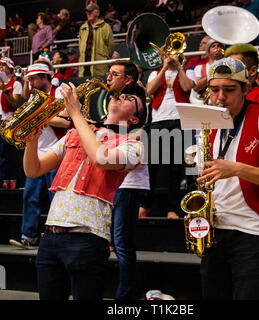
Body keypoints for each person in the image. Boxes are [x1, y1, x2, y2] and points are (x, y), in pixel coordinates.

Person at [22, 79, 146, 300]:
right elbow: (34, 170)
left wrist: (75, 114)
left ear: (134, 119)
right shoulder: (75, 133)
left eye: (131, 99)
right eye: (122, 94)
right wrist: (32, 140)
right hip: (50, 236)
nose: (123, 96)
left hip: (89, 239)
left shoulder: (133, 145)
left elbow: (101, 157)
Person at [197, 57, 259, 300]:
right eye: (214, 89)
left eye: (229, 90)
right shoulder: (207, 122)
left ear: (246, 88)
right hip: (214, 231)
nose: (220, 97)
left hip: (251, 232)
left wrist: (237, 168)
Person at [9, 63, 71, 249]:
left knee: (56, 198)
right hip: (36, 155)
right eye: (29, 80)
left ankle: (59, 237)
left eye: (34, 79)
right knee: (30, 196)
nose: (32, 83)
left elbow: (66, 121)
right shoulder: (33, 99)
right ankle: (29, 236)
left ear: (46, 78)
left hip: (56, 154)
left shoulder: (59, 92)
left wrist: (38, 115)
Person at [106, 60, 150, 300]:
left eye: (115, 74)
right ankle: (132, 292)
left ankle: (128, 296)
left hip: (130, 183)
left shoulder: (133, 102)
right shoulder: (119, 103)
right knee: (118, 242)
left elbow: (132, 140)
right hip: (120, 183)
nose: (109, 77)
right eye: (109, 73)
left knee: (122, 243)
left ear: (128, 80)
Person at [146, 53, 195, 219]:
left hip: (179, 121)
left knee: (175, 167)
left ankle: (171, 208)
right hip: (158, 121)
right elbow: (149, 91)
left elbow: (187, 87)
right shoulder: (155, 73)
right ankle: (146, 205)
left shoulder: (188, 71)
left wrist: (179, 67)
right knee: (153, 165)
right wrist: (165, 67)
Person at [0, 57, 22, 186]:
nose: (1, 67)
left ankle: (2, 180)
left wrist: (5, 90)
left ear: (10, 67)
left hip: (7, 120)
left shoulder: (16, 84)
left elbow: (14, 104)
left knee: (3, 153)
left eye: (3, 65)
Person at [79, 3, 114, 78]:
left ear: (97, 13)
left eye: (90, 11)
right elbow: (80, 46)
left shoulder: (105, 27)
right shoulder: (83, 28)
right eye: (87, 12)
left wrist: (104, 58)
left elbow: (111, 47)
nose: (88, 13)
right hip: (84, 67)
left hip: (99, 67)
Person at [192, 38, 224, 103]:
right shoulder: (199, 67)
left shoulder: (227, 65)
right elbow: (196, 87)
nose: (217, 47)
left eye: (219, 46)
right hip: (205, 103)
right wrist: (213, 73)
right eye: (213, 46)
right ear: (208, 51)